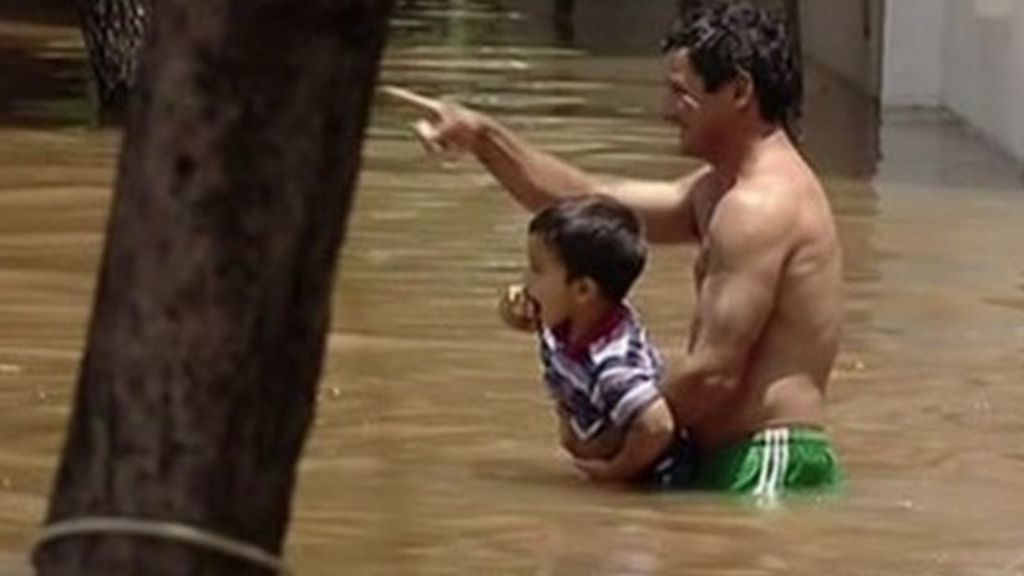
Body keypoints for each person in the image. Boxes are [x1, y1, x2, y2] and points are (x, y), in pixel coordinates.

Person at [386, 0, 843, 495]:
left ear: (738, 90)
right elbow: (589, 201)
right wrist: (483, 137)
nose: (666, 111)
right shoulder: (718, 191)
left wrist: (610, 444)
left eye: (680, 94)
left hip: (764, 462)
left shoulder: (757, 206)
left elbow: (714, 373)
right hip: (729, 456)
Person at [498, 196, 694, 487]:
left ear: (583, 290)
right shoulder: (573, 316)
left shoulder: (613, 367)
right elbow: (536, 324)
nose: (526, 279)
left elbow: (656, 427)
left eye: (536, 270)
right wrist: (512, 313)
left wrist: (616, 471)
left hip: (650, 474)